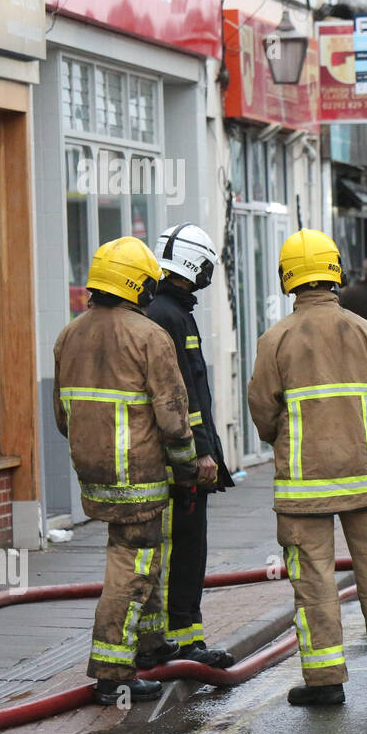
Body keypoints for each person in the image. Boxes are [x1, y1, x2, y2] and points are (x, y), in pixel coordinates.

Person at [248, 229, 367, 704]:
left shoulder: (275, 339)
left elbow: (262, 410)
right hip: (366, 481)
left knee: (313, 582)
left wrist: (282, 439)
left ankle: (325, 683)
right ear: (336, 272)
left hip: (303, 488)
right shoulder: (363, 329)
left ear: (286, 278)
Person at [53, 237, 198, 705]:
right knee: (131, 566)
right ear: (139, 285)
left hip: (93, 469)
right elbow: (173, 412)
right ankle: (113, 671)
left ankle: (151, 644)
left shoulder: (69, 334)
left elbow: (62, 414)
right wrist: (187, 464)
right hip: (137, 471)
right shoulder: (148, 335)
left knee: (141, 555)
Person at [136, 223, 235, 670]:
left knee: (188, 547)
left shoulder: (170, 311)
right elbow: (183, 396)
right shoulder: (168, 316)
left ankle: (186, 637)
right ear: (196, 264)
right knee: (181, 547)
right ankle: (180, 640)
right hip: (181, 463)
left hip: (184, 458)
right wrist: (200, 452)